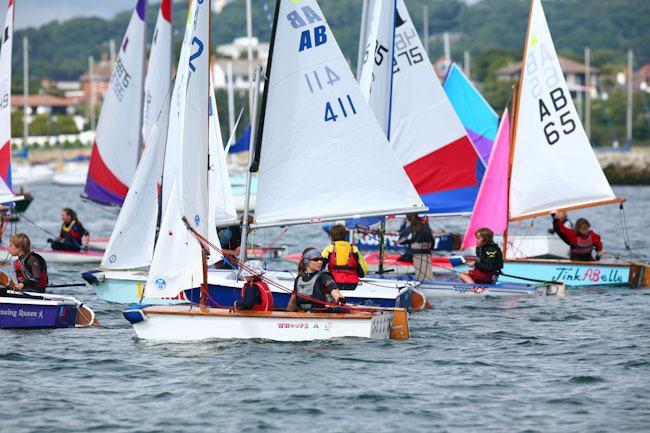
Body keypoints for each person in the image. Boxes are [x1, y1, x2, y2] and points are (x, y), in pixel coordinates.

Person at [287, 248, 346, 312]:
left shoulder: (325, 277)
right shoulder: (299, 279)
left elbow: (335, 291)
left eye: (321, 259)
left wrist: (339, 299)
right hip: (305, 315)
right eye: (316, 260)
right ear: (306, 261)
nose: (320, 262)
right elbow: (292, 302)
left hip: (323, 315)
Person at [321, 224, 368, 290]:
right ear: (345, 235)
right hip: (352, 284)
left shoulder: (329, 249)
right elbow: (362, 273)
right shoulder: (354, 249)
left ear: (331, 237)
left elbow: (319, 268)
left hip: (334, 284)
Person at [398, 213, 435, 281]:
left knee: (401, 258)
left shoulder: (411, 227)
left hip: (413, 255)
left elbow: (400, 241)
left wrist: (404, 223)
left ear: (408, 218)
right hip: (426, 253)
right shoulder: (425, 225)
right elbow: (432, 242)